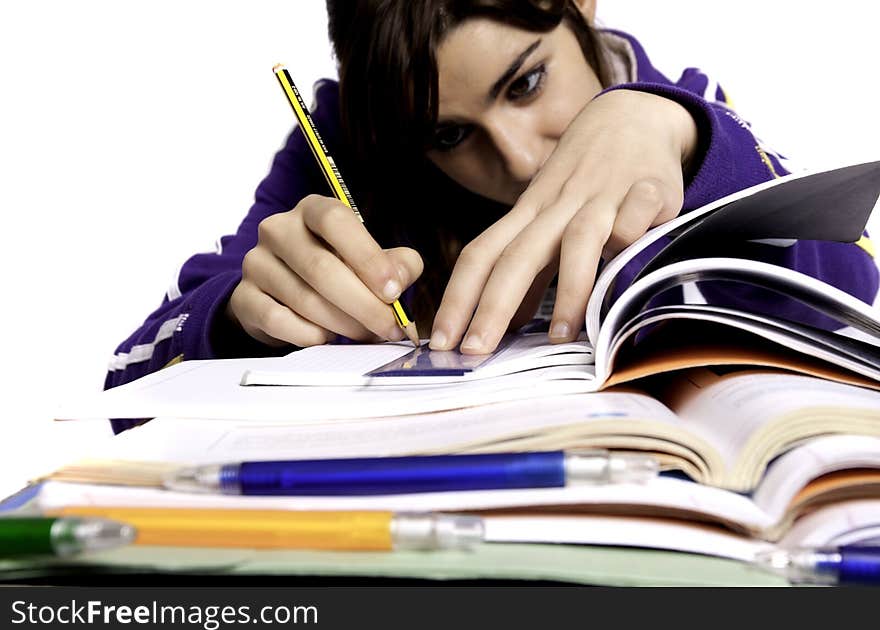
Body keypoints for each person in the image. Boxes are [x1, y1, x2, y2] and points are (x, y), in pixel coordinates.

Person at [106, 0, 878, 423]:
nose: (515, 159)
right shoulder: (348, 146)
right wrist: (241, 316)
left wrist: (679, 133)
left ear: (578, 6)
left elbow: (853, 294)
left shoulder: (685, 118)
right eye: (447, 135)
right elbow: (122, 389)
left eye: (527, 84)